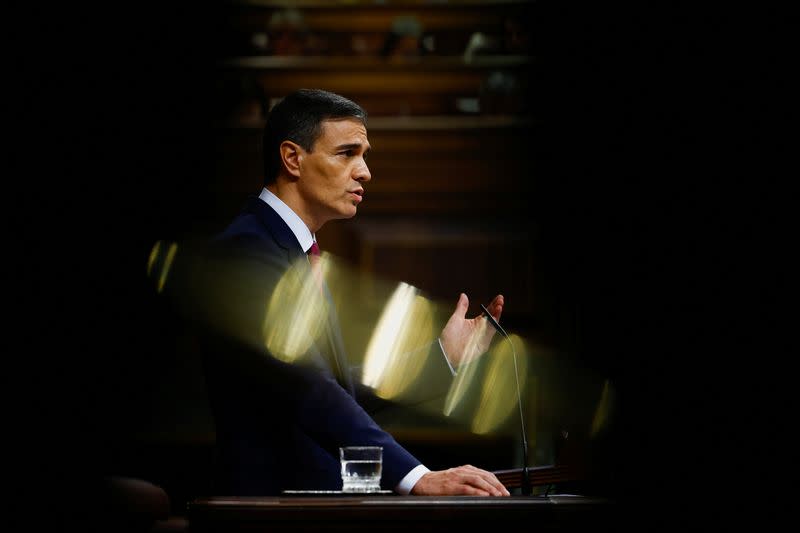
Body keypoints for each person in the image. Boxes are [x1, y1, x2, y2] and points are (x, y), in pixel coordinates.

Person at [182, 88, 509, 497]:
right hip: (268, 512)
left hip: (311, 506)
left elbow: (335, 387)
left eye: (365, 154)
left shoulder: (296, 252)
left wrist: (441, 358)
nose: (365, 171)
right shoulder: (245, 252)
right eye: (347, 153)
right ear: (292, 158)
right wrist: (417, 477)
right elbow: (310, 391)